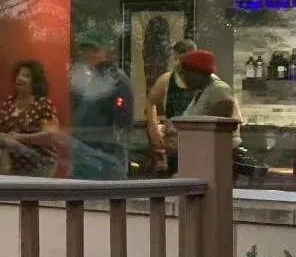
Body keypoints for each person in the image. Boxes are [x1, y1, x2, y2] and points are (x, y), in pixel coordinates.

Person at [65, 29, 134, 179]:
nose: (89, 54)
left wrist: (111, 145)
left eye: (94, 50)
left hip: (107, 155)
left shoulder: (117, 79)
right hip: (83, 152)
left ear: (104, 51)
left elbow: (124, 121)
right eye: (85, 50)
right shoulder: (82, 80)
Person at [0, 59, 60, 175]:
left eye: (26, 76)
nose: (20, 78)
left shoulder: (43, 105)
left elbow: (50, 136)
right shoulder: (8, 103)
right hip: (12, 167)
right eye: (18, 75)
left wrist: (19, 138)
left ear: (35, 82)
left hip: (40, 166)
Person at [145, 39, 199, 174]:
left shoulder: (205, 79)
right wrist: (153, 129)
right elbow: (150, 102)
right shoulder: (166, 80)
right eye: (176, 59)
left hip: (198, 141)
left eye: (182, 59)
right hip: (173, 144)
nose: (179, 63)